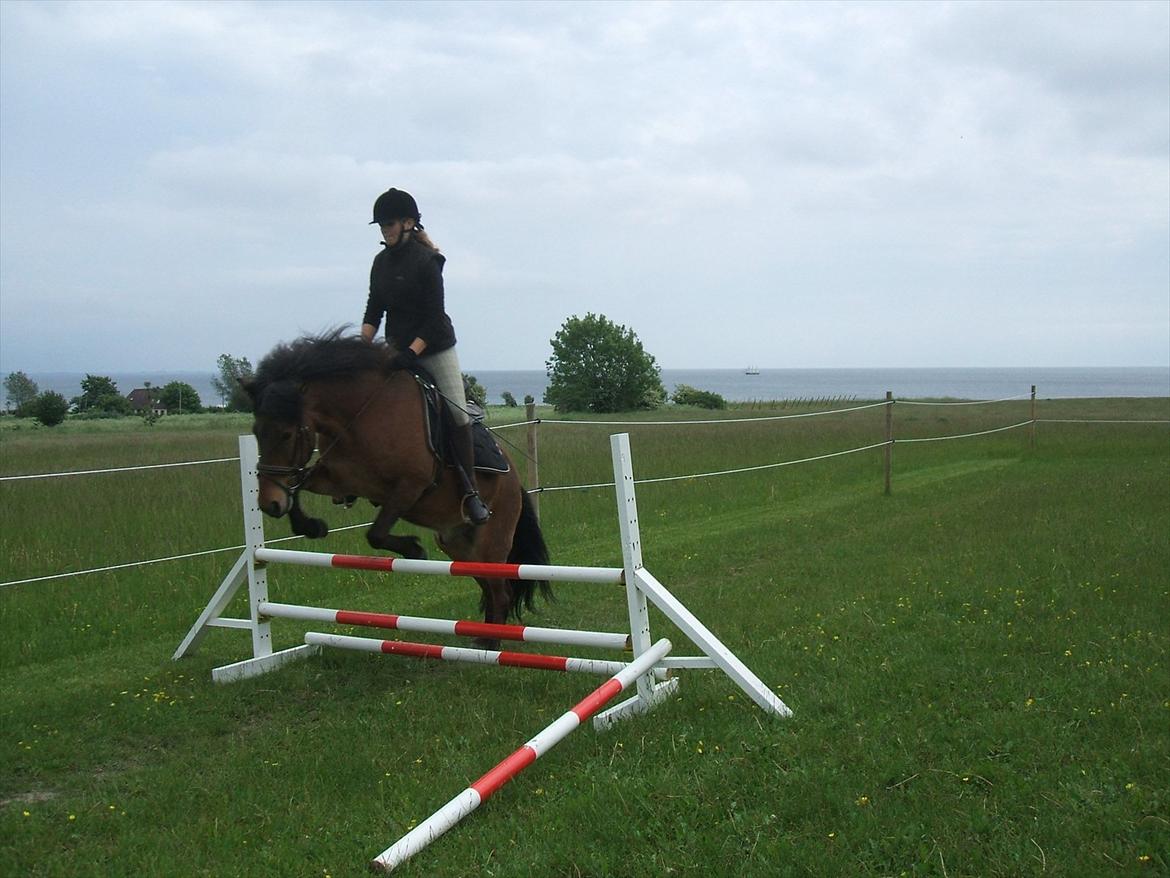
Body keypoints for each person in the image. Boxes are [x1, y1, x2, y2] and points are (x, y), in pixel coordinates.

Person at [360, 188, 490, 525]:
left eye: (388, 223)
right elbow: (374, 310)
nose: (384, 229)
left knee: (457, 414)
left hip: (434, 349)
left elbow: (434, 318)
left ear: (408, 223)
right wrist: (362, 347)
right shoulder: (380, 263)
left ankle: (471, 492)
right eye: (381, 225)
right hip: (397, 349)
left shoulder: (428, 262)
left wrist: (410, 353)